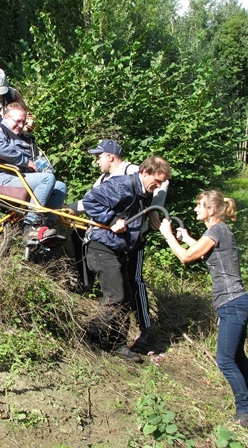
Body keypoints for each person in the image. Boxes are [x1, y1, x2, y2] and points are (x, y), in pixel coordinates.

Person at [159, 190, 248, 428]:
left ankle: (245, 412)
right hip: (237, 302)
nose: (195, 209)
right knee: (237, 357)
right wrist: (188, 238)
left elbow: (185, 257)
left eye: (199, 206)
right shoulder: (218, 231)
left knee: (225, 360)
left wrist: (169, 236)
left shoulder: (216, 230)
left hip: (232, 303)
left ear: (211, 210)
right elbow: (209, 254)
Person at [68, 140, 169, 352]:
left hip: (118, 249)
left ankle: (118, 345)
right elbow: (91, 201)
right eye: (157, 182)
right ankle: (88, 336)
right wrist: (112, 220)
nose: (158, 187)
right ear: (145, 172)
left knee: (125, 298)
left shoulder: (141, 192)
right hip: (101, 247)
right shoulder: (123, 185)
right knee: (115, 296)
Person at [0, 102, 67, 245]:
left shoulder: (24, 138)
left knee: (60, 186)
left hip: (21, 177)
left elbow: (37, 159)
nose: (21, 125)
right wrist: (25, 162)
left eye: (23, 122)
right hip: (2, 178)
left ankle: (46, 227)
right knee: (47, 179)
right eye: (17, 121)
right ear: (6, 117)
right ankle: (31, 226)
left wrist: (43, 167)